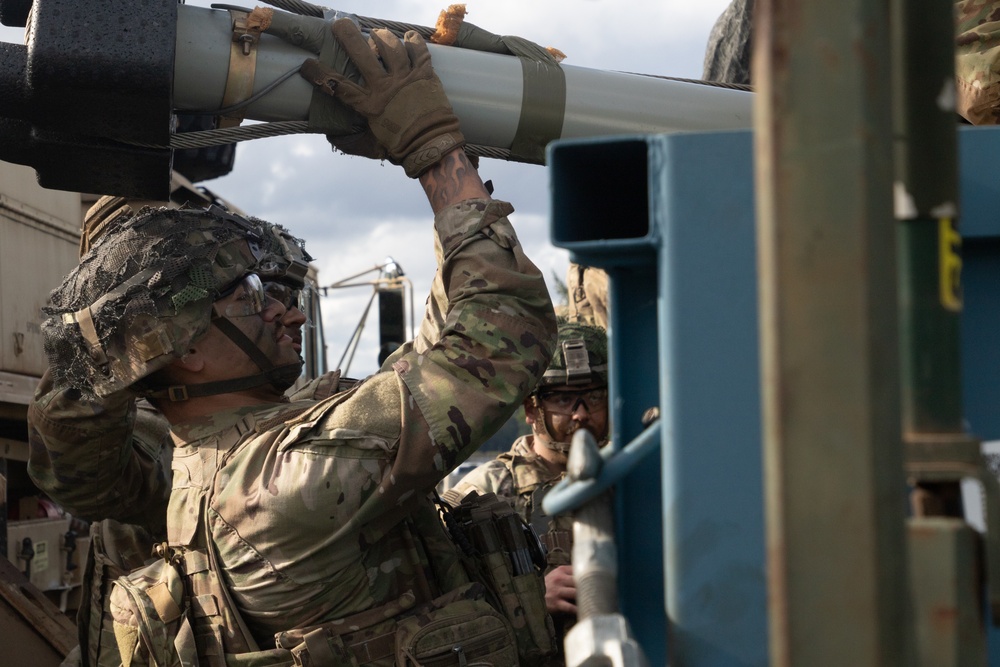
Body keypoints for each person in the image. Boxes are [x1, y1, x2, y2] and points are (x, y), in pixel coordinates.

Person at [28, 19, 557, 666]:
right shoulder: (277, 487)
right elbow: (499, 330)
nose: (289, 313)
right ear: (184, 347)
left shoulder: (213, 474)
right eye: (252, 292)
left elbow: (447, 346)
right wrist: (433, 148)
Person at [443, 321, 609, 649]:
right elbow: (447, 609)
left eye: (593, 396)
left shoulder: (635, 479)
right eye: (563, 399)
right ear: (531, 408)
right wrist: (532, 600)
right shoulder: (481, 492)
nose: (581, 414)